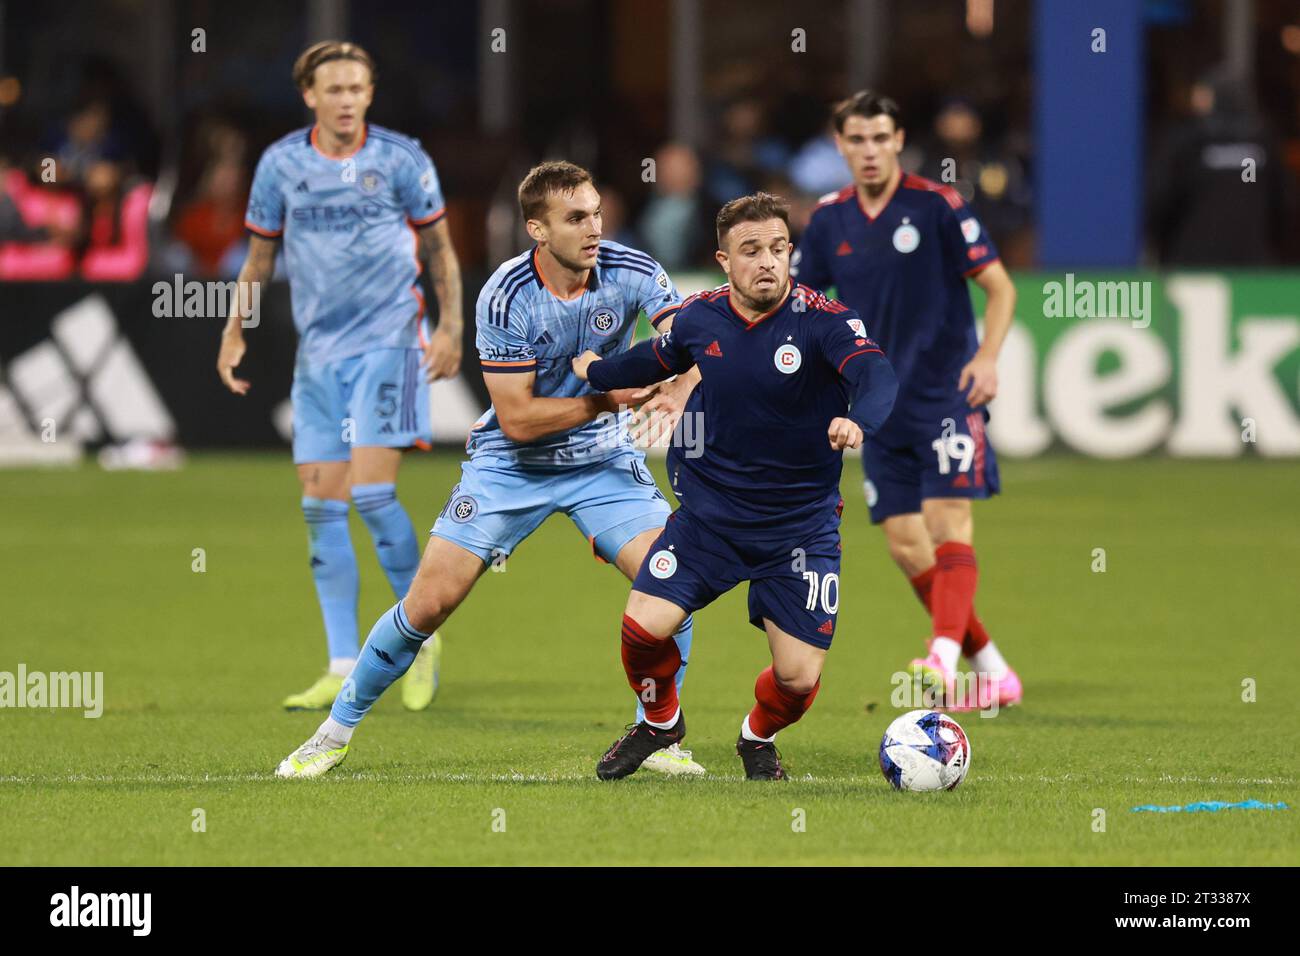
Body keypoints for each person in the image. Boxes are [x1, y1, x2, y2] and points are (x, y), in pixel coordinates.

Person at [276, 161, 706, 778]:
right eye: (576, 218)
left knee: (671, 582)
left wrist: (682, 388)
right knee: (428, 605)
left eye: (597, 213)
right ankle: (334, 733)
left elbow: (696, 341)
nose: (594, 229)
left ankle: (659, 732)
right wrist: (607, 398)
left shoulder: (633, 270)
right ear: (537, 228)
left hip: (603, 461)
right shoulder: (505, 296)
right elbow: (519, 421)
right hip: (512, 467)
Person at [572, 192, 898, 780]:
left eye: (778, 248)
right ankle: (660, 721)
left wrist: (861, 420)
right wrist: (595, 370)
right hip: (709, 522)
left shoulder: (825, 321)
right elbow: (654, 358)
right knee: (642, 629)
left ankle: (756, 735)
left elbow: (875, 374)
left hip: (800, 530)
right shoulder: (700, 317)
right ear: (725, 260)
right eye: (751, 251)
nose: (768, 261)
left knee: (798, 679)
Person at [216, 41, 464, 712]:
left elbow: (440, 249)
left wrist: (449, 328)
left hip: (389, 345)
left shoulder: (401, 159)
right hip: (319, 356)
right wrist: (235, 326)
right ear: (310, 95)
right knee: (320, 506)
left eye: (358, 88)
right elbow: (260, 258)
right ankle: (340, 660)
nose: (348, 100)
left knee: (373, 495)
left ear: (369, 93)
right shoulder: (281, 165)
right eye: (335, 90)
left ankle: (420, 633)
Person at [792, 91, 1021, 710]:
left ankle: (942, 660)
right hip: (876, 402)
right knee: (904, 544)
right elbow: (802, 305)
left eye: (880, 138)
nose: (869, 151)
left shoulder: (937, 204)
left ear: (898, 141)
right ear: (840, 146)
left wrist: (987, 358)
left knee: (948, 524)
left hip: (947, 390)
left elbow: (1000, 289)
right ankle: (993, 671)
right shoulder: (830, 219)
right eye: (856, 140)